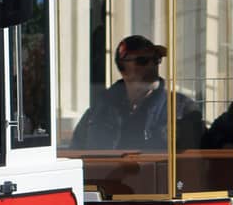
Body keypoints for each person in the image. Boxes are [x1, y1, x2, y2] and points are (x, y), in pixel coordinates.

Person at [70, 35, 203, 152]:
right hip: (107, 179)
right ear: (123, 70)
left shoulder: (182, 109)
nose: (152, 66)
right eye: (142, 61)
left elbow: (198, 161)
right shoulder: (99, 110)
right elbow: (75, 151)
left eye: (156, 59)